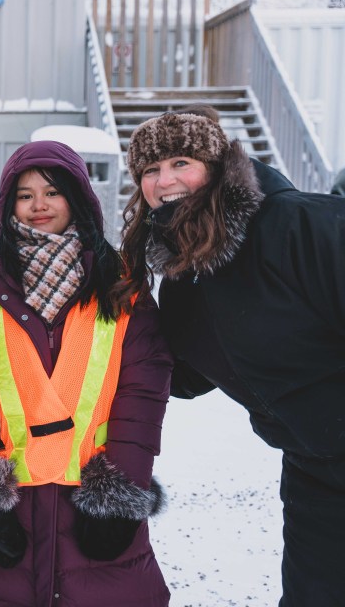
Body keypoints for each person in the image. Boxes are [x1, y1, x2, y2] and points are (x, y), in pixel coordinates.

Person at [120, 104, 345, 606]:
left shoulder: (296, 225)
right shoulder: (186, 276)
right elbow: (182, 374)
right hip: (315, 470)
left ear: (217, 167)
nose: (164, 180)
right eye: (150, 170)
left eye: (181, 162)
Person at [0, 141, 172, 606]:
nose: (38, 205)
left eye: (52, 192)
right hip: (10, 503)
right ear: (8, 208)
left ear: (77, 199)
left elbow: (142, 392)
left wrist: (120, 494)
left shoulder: (121, 284)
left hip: (93, 499)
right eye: (25, 195)